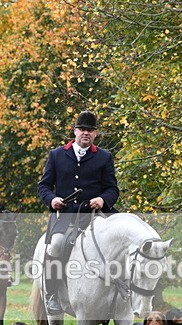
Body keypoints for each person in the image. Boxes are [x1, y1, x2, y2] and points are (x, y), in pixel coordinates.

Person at [37, 110, 119, 314]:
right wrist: (52, 199)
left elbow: (112, 188)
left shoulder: (104, 157)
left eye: (90, 131)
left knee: (122, 245)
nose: (86, 133)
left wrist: (103, 199)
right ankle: (53, 295)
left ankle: (121, 297)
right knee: (55, 246)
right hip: (67, 215)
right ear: (75, 131)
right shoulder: (57, 155)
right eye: (82, 129)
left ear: (95, 134)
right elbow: (44, 186)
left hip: (95, 215)